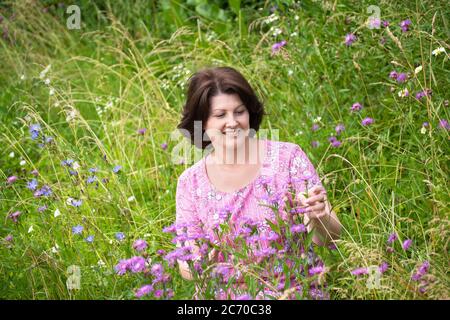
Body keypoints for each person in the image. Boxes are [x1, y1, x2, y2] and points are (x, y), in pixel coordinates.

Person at [175, 66, 342, 290]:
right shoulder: (190, 182)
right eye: (220, 115)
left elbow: (328, 239)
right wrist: (202, 263)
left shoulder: (288, 158)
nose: (233, 122)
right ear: (202, 122)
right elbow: (186, 266)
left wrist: (318, 217)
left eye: (239, 111)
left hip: (294, 291)